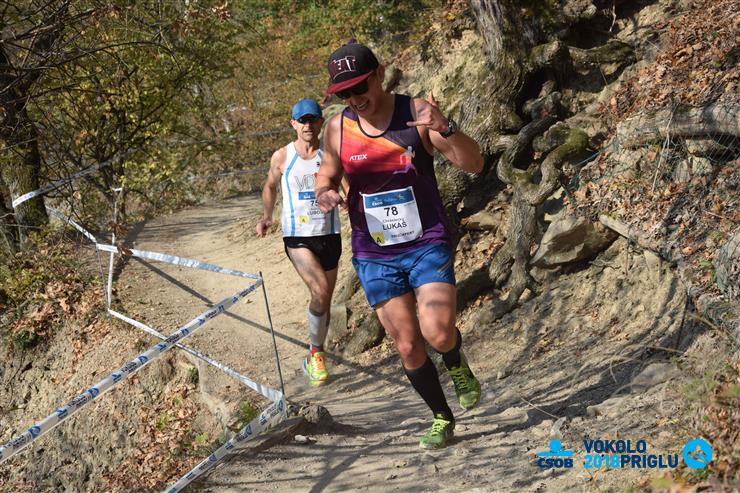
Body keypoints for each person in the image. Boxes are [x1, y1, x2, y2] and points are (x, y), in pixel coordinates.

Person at [315, 41, 484, 449]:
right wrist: (325, 193)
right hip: (374, 252)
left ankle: (454, 359)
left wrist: (445, 127)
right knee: (408, 344)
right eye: (344, 93)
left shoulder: (416, 114)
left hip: (425, 241)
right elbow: (326, 175)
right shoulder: (337, 128)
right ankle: (441, 416)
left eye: (360, 87)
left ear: (379, 74)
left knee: (438, 333)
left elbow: (475, 164)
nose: (355, 98)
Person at [256, 98, 341, 387]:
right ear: (293, 123)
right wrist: (267, 216)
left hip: (329, 233)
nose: (307, 125)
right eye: (302, 120)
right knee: (320, 290)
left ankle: (315, 356)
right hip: (297, 236)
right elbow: (270, 186)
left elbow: (345, 184)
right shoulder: (282, 156)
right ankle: (316, 354)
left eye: (312, 119)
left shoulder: (329, 154)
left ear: (320, 122)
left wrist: (349, 202)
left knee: (325, 300)